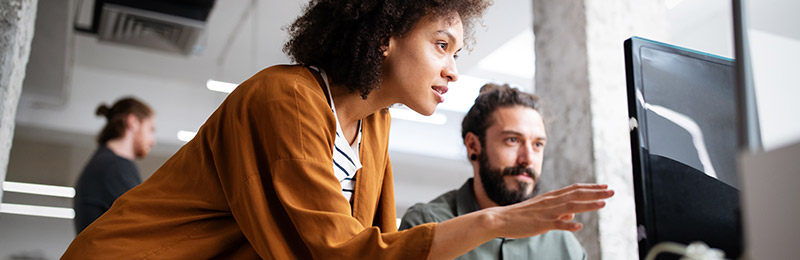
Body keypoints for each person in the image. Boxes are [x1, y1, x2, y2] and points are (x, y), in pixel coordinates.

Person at [63, 1, 613, 259]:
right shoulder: (286, 98)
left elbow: (374, 246)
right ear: (384, 36)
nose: (452, 69)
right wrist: (493, 221)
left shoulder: (373, 126)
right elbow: (339, 256)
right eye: (441, 45)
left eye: (457, 53)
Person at [400, 83, 587, 259]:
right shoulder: (426, 224)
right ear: (473, 145)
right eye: (512, 140)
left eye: (537, 144)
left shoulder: (563, 243)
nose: (528, 158)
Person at [73, 97, 156, 234]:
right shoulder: (114, 166)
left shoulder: (105, 163)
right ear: (133, 122)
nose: (153, 141)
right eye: (151, 129)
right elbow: (143, 224)